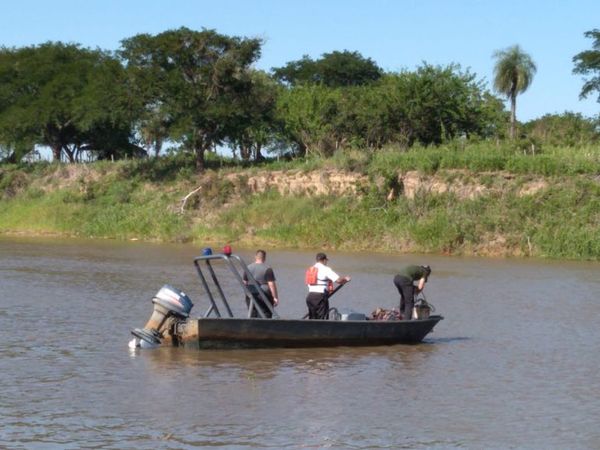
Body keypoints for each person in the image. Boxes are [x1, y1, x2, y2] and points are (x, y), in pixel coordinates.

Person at [305, 252, 351, 320]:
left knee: (312, 318)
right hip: (319, 297)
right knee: (321, 318)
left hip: (310, 297)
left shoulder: (311, 269)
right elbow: (338, 281)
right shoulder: (325, 269)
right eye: (326, 260)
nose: (326, 262)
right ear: (324, 260)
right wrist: (346, 279)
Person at [243, 250, 279, 318]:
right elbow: (271, 284)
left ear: (255, 257)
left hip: (251, 294)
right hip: (264, 294)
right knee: (265, 313)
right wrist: (275, 297)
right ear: (264, 258)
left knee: (252, 314)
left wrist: (247, 295)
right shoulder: (268, 269)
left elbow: (244, 282)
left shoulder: (247, 267)